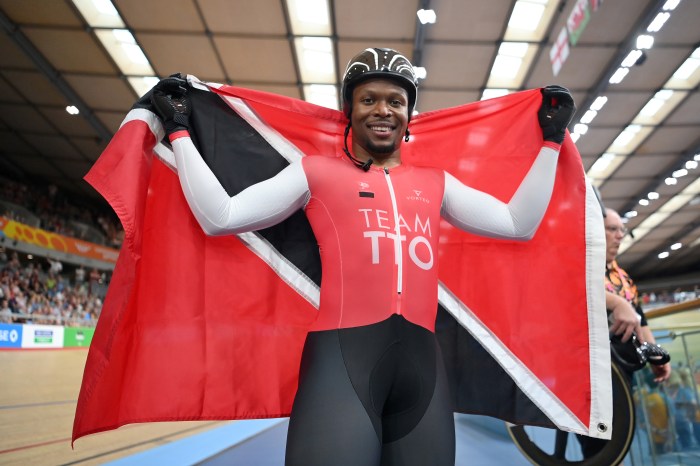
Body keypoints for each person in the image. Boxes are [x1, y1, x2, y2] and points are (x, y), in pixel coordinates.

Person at [149, 47, 575, 466]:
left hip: (423, 370)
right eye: (368, 99)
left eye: (396, 101)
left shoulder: (436, 182)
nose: (382, 111)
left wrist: (551, 142)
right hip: (342, 365)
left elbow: (518, 222)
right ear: (349, 110)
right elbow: (221, 216)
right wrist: (180, 131)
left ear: (410, 115)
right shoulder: (314, 171)